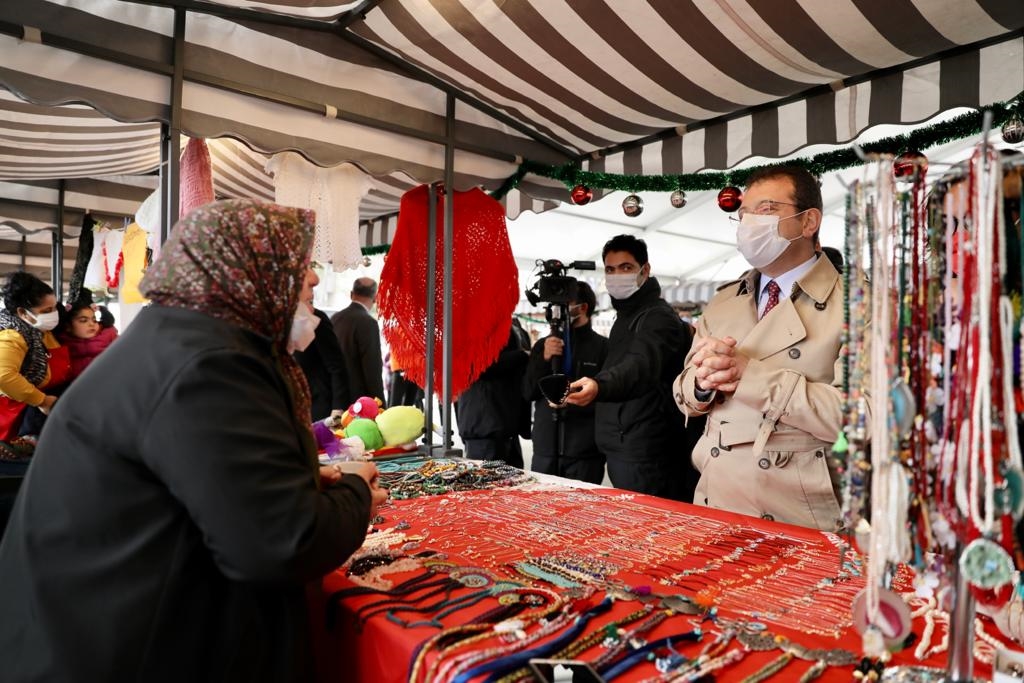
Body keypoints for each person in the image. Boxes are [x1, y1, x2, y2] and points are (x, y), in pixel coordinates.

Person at [0, 199, 388, 681]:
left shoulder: (179, 342)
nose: (310, 280)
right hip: (121, 652)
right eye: (293, 262)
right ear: (245, 271)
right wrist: (355, 495)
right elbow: (279, 543)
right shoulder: (209, 364)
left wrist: (299, 487)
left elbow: (212, 488)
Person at [674, 165, 845, 531]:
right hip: (716, 498)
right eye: (744, 215)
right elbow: (684, 393)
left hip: (798, 509)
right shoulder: (723, 302)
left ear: (808, 221)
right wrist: (702, 383)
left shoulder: (858, 304)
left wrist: (749, 375)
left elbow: (864, 420)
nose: (751, 224)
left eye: (766, 211)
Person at [565, 235, 699, 501]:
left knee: (653, 530)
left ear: (644, 270)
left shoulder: (657, 317)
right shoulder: (626, 316)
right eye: (610, 269)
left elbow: (640, 366)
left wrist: (599, 385)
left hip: (649, 450)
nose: (617, 276)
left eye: (626, 267)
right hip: (626, 446)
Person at [523, 282, 608, 484]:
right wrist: (544, 359)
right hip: (545, 451)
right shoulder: (544, 345)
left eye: (565, 304)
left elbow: (608, 398)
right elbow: (527, 391)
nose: (558, 311)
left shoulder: (603, 347)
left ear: (583, 307)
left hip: (585, 454)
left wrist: (575, 399)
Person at [0, 271, 71, 459]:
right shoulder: (12, 335)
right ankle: (28, 440)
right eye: (46, 311)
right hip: (21, 412)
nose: (53, 315)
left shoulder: (41, 330)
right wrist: (43, 401)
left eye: (54, 308)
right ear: (23, 313)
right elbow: (3, 376)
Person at [455, 321, 530, 467]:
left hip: (509, 426)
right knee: (487, 484)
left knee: (516, 484)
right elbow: (474, 365)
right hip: (484, 428)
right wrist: (522, 356)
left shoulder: (515, 327)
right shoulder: (474, 326)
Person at [294, 267, 351, 421]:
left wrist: (338, 407)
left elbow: (336, 364)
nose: (312, 292)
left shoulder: (318, 319)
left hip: (319, 406)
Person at [331, 277, 385, 405]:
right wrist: (380, 403)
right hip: (358, 401)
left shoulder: (335, 319)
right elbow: (372, 368)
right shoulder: (369, 323)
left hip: (335, 395)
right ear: (375, 298)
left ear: (351, 294)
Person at [56, 298, 118, 382]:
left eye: (94, 320)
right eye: (83, 320)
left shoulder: (112, 339)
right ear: (68, 327)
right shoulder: (59, 345)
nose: (91, 324)